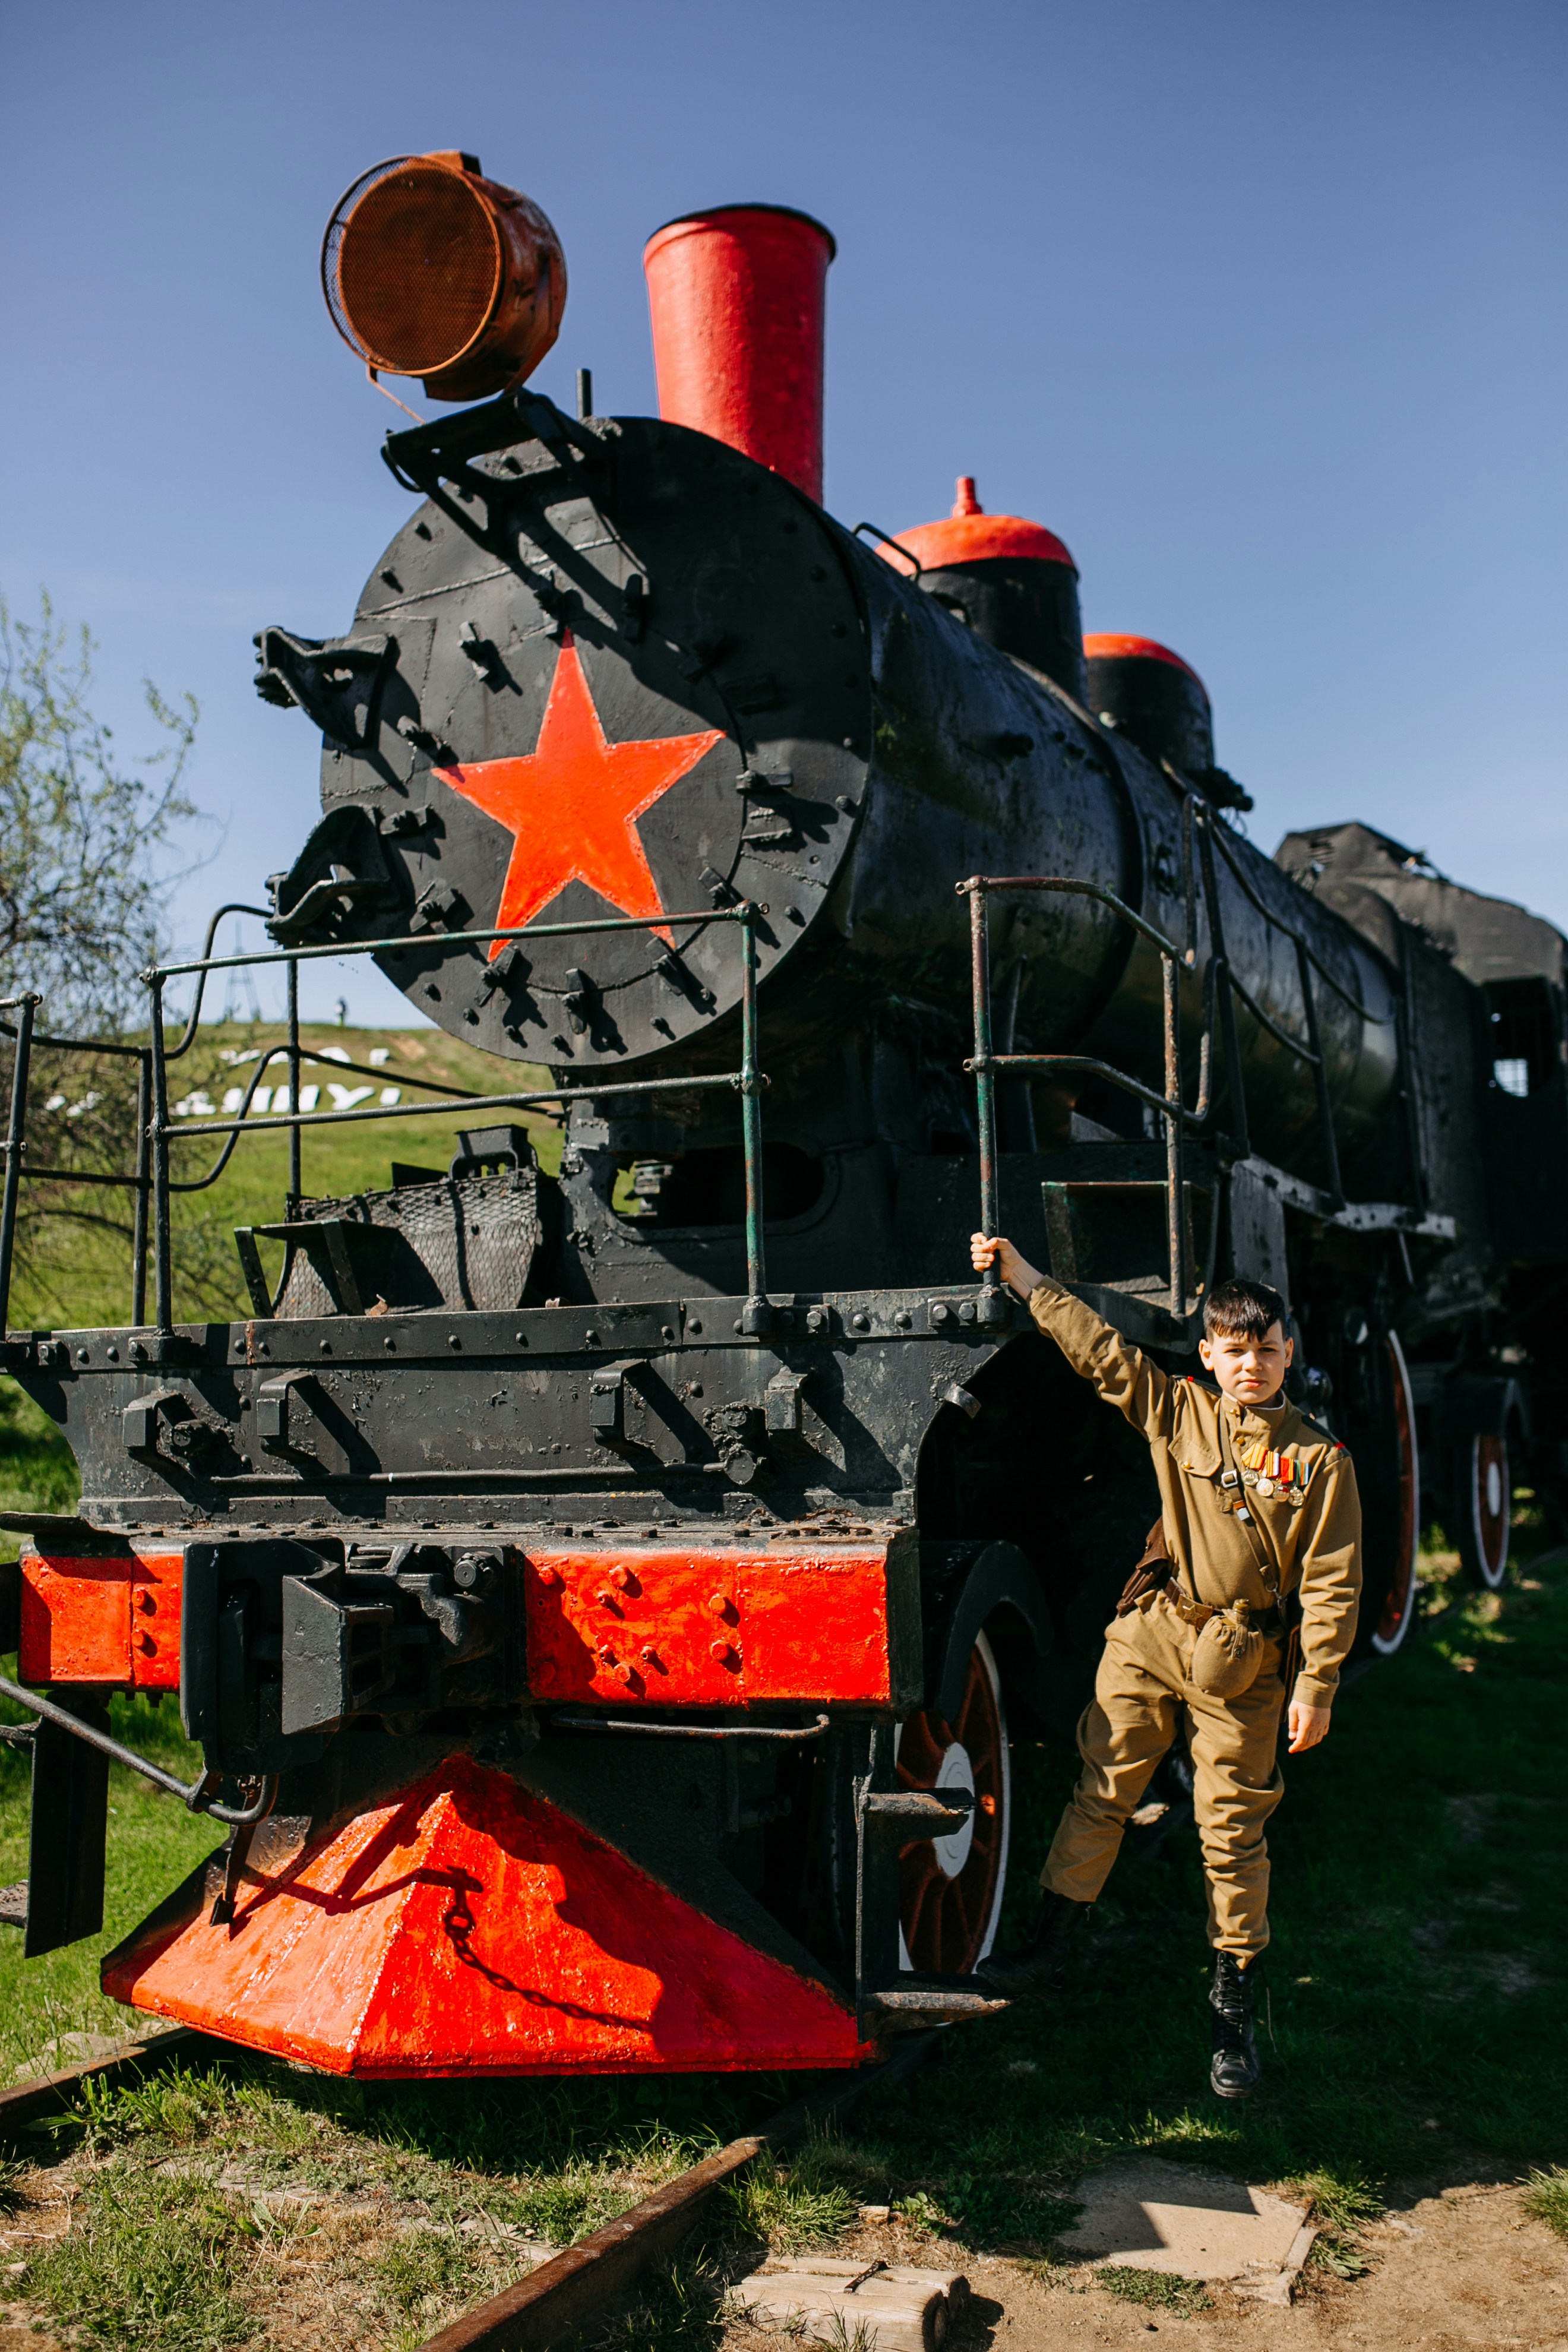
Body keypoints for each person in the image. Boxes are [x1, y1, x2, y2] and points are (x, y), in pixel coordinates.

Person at [969, 1233, 1362, 2097]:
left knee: (1232, 1836)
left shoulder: (1322, 1462)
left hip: (1244, 1660)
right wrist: (1027, 1277)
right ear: (1208, 1356)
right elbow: (1102, 1353)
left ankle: (1232, 2016)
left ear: (1289, 1352)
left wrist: (1317, 1684)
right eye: (1233, 1350)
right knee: (1102, 1785)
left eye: (1266, 1349)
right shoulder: (1181, 1411)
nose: (1250, 1365)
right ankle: (1048, 1947)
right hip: (1153, 1634)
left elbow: (1333, 1584)